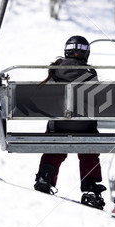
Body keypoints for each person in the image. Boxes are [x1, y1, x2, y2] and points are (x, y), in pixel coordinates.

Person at [34, 35, 106, 210]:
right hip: (85, 128)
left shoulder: (54, 72)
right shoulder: (90, 74)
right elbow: (97, 103)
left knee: (54, 143)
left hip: (58, 126)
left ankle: (46, 176)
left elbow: (44, 100)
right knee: (89, 150)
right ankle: (90, 186)